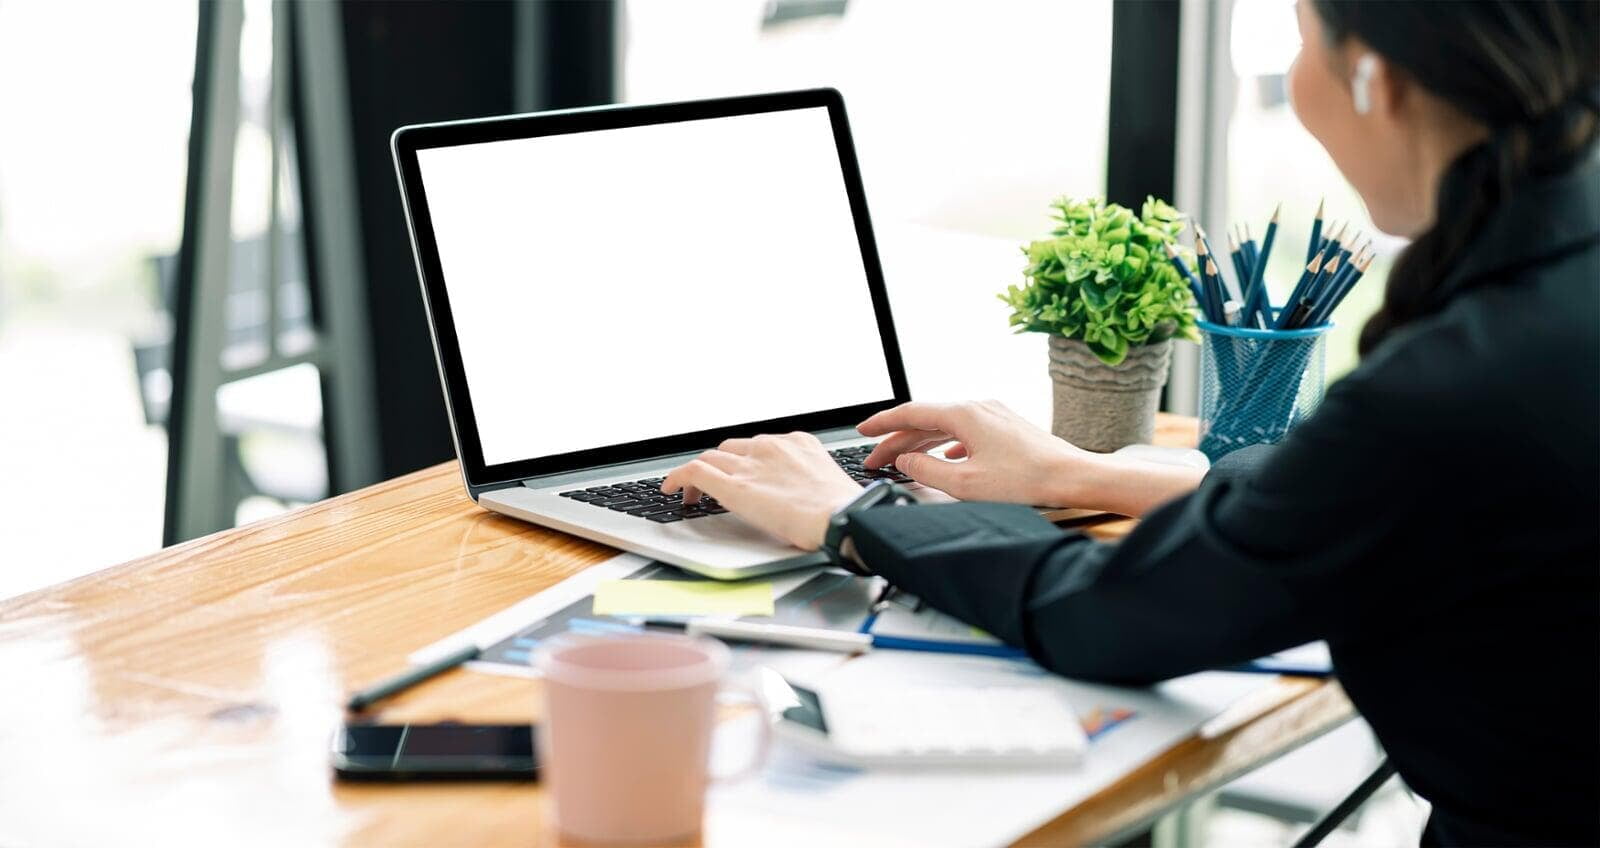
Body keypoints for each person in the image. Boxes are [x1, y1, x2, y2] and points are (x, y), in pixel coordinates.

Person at [659, 1, 1600, 844]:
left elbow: (1111, 615)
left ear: (1375, 78)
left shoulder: (1454, 384)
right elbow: (1392, 490)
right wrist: (1089, 474)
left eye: (1300, 37)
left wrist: (851, 514)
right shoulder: (1548, 297)